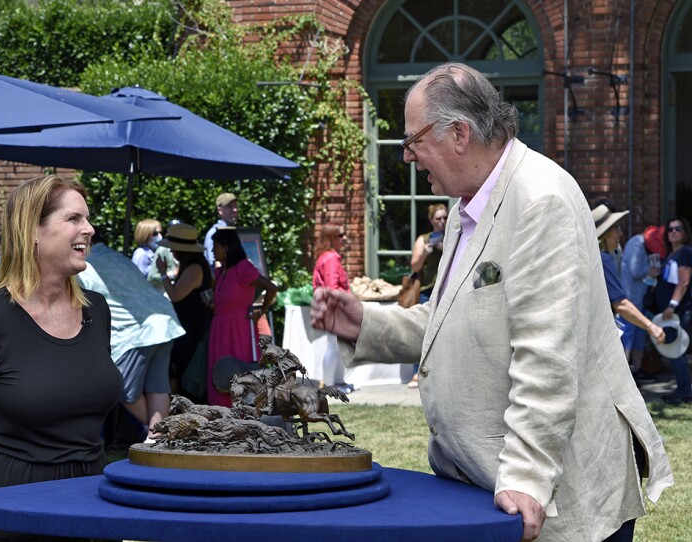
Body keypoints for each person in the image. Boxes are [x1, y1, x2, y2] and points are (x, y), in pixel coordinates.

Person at [310, 62, 672, 541]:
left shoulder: (541, 200)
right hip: (480, 487)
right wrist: (365, 325)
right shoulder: (468, 206)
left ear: (459, 133)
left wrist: (526, 477)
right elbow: (454, 319)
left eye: (413, 140)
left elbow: (547, 356)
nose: (408, 157)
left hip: (551, 501)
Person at [0, 175, 122, 541]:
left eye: (88, 219)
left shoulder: (97, 311)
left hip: (93, 501)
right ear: (32, 229)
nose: (89, 229)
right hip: (7, 508)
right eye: (74, 219)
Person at [78, 241, 184, 443]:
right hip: (164, 320)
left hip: (136, 330)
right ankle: (158, 437)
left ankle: (159, 432)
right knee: (158, 385)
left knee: (122, 387)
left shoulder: (83, 264)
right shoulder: (116, 256)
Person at [208, 228, 277, 407]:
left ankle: (241, 412)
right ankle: (220, 412)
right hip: (219, 329)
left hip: (238, 330)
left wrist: (260, 310)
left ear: (227, 248)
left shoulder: (242, 268)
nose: (212, 250)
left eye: (215, 246)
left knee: (237, 372)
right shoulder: (220, 272)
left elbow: (270, 287)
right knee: (218, 371)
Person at [593, 205, 665, 349]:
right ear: (606, 233)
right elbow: (620, 304)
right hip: (598, 334)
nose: (620, 234)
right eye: (616, 228)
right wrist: (651, 327)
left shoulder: (594, 256)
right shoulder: (603, 258)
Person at [155, 223, 213, 403]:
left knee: (187, 373)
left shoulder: (194, 268)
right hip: (189, 327)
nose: (172, 252)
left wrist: (163, 273)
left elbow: (175, 295)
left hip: (192, 330)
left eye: (174, 248)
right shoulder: (192, 266)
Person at [407, 203, 448, 388]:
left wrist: (445, 247)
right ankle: (417, 372)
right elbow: (415, 266)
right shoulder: (423, 239)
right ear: (431, 220)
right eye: (438, 218)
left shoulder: (455, 236)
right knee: (422, 332)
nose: (442, 222)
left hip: (447, 291)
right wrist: (425, 252)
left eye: (445, 218)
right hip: (427, 291)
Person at [654, 216, 692, 405]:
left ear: (685, 233)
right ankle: (683, 388)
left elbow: (684, 282)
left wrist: (672, 304)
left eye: (678, 228)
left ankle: (685, 391)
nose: (674, 232)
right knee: (674, 350)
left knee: (676, 349)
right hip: (670, 311)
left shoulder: (685, 252)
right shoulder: (670, 255)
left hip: (679, 310)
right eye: (670, 229)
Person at [619, 226, 662, 378]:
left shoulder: (644, 244)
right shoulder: (637, 243)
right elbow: (635, 270)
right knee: (628, 335)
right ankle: (624, 374)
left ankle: (636, 369)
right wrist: (650, 270)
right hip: (630, 299)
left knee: (639, 335)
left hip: (640, 297)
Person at [312, 222, 351, 390]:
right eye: (340, 236)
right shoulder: (331, 258)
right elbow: (332, 287)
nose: (344, 238)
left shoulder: (325, 256)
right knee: (334, 346)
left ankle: (337, 382)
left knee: (337, 346)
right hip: (334, 308)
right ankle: (329, 385)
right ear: (331, 238)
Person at [257, 335, 306, 415]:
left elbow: (261, 363)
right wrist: (300, 367)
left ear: (265, 341)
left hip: (283, 371)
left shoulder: (267, 351)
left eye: (261, 341)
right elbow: (292, 356)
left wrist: (262, 362)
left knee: (269, 384)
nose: (259, 343)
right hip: (292, 370)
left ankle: (269, 406)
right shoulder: (279, 348)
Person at [203, 192, 239, 270]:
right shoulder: (214, 233)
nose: (235, 210)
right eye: (230, 206)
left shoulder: (236, 232)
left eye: (235, 205)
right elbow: (216, 265)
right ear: (220, 210)